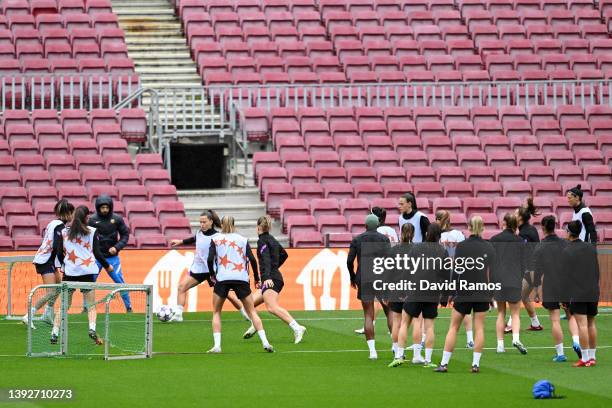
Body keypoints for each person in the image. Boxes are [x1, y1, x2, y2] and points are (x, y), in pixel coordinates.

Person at [435, 216, 496, 373]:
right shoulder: (489, 247)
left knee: (453, 327)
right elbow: (492, 273)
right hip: (482, 290)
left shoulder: (462, 246)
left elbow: (457, 270)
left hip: (464, 290)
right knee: (480, 328)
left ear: (469, 227)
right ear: (482, 228)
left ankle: (444, 363)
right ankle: (475, 364)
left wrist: (450, 291)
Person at [206, 216, 273, 353]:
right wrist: (256, 278)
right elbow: (253, 260)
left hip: (223, 277)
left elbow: (209, 259)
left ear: (221, 225)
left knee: (217, 312)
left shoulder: (215, 239)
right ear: (234, 224)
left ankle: (217, 346)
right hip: (241, 277)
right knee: (252, 311)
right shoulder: (242, 239)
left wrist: (212, 275)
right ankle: (265, 342)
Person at [169, 210, 250, 323]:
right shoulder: (199, 233)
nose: (202, 224)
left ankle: (244, 311)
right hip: (198, 269)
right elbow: (194, 239)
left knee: (227, 295)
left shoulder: (218, 236)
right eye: (200, 222)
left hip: (213, 270)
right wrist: (180, 242)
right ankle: (178, 315)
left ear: (211, 222)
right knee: (181, 287)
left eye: (204, 222)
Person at [50, 205, 113, 345]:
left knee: (64, 305)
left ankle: (54, 332)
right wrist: (107, 266)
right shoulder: (93, 231)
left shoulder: (64, 232)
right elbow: (97, 253)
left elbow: (59, 252)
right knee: (91, 305)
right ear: (86, 217)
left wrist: (65, 265)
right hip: (87, 272)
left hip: (70, 273)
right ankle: (91, 328)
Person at [389, 223, 449, 368]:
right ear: (439, 235)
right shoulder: (442, 250)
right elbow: (446, 275)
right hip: (432, 292)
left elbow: (408, 269)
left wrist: (402, 288)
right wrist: (445, 296)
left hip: (415, 290)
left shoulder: (417, 248)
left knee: (404, 323)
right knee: (429, 327)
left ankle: (399, 356)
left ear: (427, 233)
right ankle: (427, 360)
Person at [242, 216, 306, 343]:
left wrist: (267, 276)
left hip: (271, 279)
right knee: (248, 305)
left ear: (258, 227)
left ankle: (297, 327)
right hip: (274, 277)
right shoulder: (272, 239)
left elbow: (265, 259)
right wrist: (274, 268)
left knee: (271, 307)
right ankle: (255, 324)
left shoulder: (262, 241)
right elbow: (284, 254)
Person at [23, 199, 75, 329]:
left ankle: (47, 314)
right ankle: (29, 315)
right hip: (45, 261)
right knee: (51, 292)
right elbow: (58, 247)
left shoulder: (55, 223)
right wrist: (64, 264)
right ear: (68, 213)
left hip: (49, 260)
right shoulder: (59, 226)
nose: (73, 216)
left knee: (58, 287)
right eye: (72, 213)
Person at [347, 214, 390, 360]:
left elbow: (349, 261)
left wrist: (352, 277)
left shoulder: (357, 239)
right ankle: (396, 349)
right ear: (378, 225)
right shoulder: (384, 239)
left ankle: (372, 351)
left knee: (368, 315)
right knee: (389, 312)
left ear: (365, 226)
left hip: (364, 278)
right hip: (382, 278)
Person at [353, 206, 397, 335]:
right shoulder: (391, 230)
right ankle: (393, 331)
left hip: (373, 269)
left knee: (374, 303)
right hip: (387, 268)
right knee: (388, 305)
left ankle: (370, 323)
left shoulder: (376, 231)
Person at [563, 221, 600, 367]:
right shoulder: (591, 248)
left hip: (577, 291)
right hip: (592, 290)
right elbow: (597, 271)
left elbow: (565, 276)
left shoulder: (567, 251)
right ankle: (592, 356)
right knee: (591, 323)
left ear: (569, 232)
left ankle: (584, 358)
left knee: (582, 325)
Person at [533, 215, 570, 362]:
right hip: (567, 284)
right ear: (554, 226)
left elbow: (537, 272)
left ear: (543, 228)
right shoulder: (565, 243)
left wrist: (536, 291)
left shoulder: (540, 247)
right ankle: (579, 346)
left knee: (555, 320)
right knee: (572, 317)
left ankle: (560, 354)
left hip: (550, 285)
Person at [490, 213, 528, 355]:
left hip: (498, 280)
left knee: (501, 312)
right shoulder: (520, 241)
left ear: (504, 223)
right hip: (514, 280)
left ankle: (500, 345)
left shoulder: (494, 239)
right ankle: (516, 338)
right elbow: (524, 263)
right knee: (515, 313)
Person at [436, 210, 473, 349]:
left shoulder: (438, 235)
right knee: (463, 307)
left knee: (430, 305)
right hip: (458, 273)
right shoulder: (459, 234)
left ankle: (423, 339)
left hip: (443, 274)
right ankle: (470, 339)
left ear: (439, 219)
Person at [88, 195, 131, 312]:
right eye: (102, 207)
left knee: (120, 282)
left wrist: (117, 247)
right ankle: (86, 308)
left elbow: (125, 236)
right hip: (96, 258)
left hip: (113, 258)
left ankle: (129, 308)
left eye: (107, 207)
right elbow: (87, 238)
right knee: (89, 283)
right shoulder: (92, 220)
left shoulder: (117, 219)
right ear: (98, 208)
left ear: (110, 207)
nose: (105, 210)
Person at [506, 198, 543, 333]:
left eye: (515, 214)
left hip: (532, 269)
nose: (513, 216)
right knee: (524, 297)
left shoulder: (525, 233)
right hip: (532, 268)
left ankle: (510, 324)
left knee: (516, 296)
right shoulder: (527, 229)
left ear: (520, 218)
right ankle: (536, 323)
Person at [386, 223, 415, 360]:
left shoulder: (394, 250)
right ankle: (417, 354)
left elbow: (388, 272)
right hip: (412, 289)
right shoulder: (417, 250)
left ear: (400, 233)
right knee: (415, 321)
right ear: (413, 234)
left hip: (396, 288)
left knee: (397, 321)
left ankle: (397, 350)